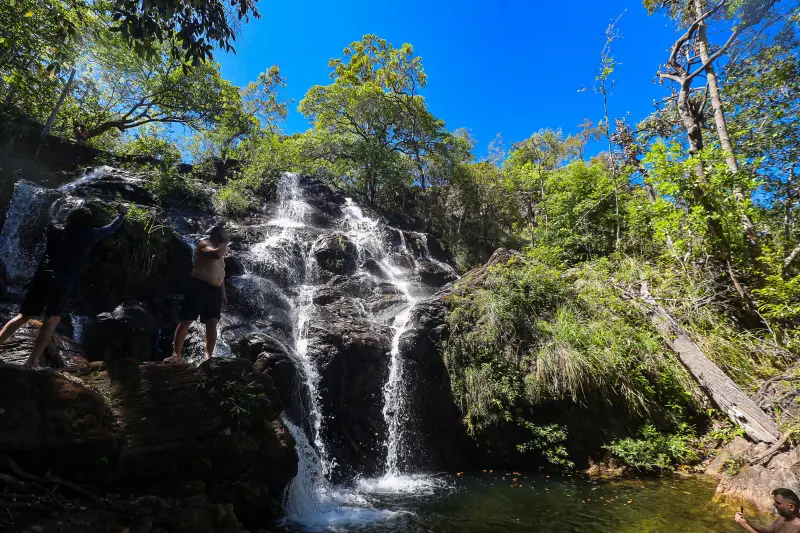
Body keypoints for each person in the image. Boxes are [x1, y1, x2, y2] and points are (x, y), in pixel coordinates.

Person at [0, 198, 127, 367]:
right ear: (88, 224)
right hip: (62, 284)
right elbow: (112, 228)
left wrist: (57, 201)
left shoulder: (55, 229)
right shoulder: (90, 235)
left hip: (42, 278)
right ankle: (32, 361)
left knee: (23, 316)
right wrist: (121, 214)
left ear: (69, 219)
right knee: (50, 322)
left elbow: (50, 214)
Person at [166, 223, 229, 363]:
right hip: (198, 287)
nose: (228, 238)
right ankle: (176, 354)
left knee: (212, 322)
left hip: (215, 291)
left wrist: (223, 293)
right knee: (187, 320)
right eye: (225, 236)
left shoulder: (221, 251)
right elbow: (215, 254)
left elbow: (221, 273)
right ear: (219, 237)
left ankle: (209, 356)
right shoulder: (203, 245)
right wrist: (224, 243)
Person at [736, 488, 800, 533]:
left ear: (791, 507)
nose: (774, 504)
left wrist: (746, 526)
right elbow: (767, 531)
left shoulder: (797, 527)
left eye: (778, 503)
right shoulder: (782, 517)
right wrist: (747, 522)